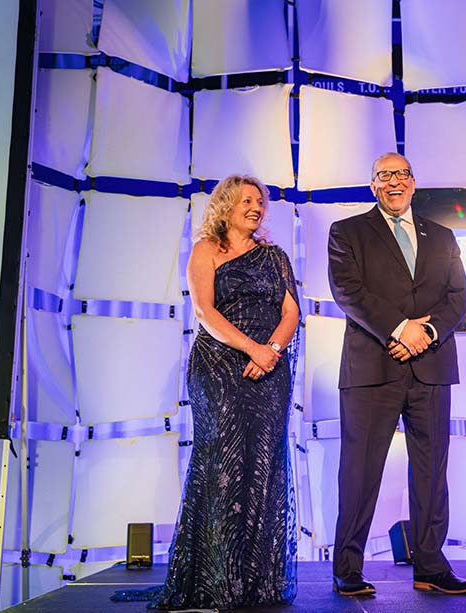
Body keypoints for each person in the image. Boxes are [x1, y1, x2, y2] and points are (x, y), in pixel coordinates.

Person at [327, 152, 466, 596]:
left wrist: (426, 331)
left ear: (414, 181)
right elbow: (348, 291)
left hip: (431, 367)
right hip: (373, 367)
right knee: (359, 471)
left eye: (402, 174)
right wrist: (399, 329)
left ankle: (431, 564)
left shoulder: (444, 236)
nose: (394, 182)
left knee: (432, 472)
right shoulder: (348, 231)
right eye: (384, 175)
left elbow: (458, 295)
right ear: (373, 184)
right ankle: (348, 568)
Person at [150, 175, 300, 610]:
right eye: (247, 200)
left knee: (263, 467)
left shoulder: (275, 257)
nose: (256, 207)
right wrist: (253, 348)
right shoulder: (206, 250)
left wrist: (270, 352)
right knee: (222, 465)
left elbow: (291, 311)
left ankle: (257, 580)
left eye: (260, 201)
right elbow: (204, 310)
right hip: (219, 368)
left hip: (269, 371)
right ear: (226, 206)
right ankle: (216, 579)